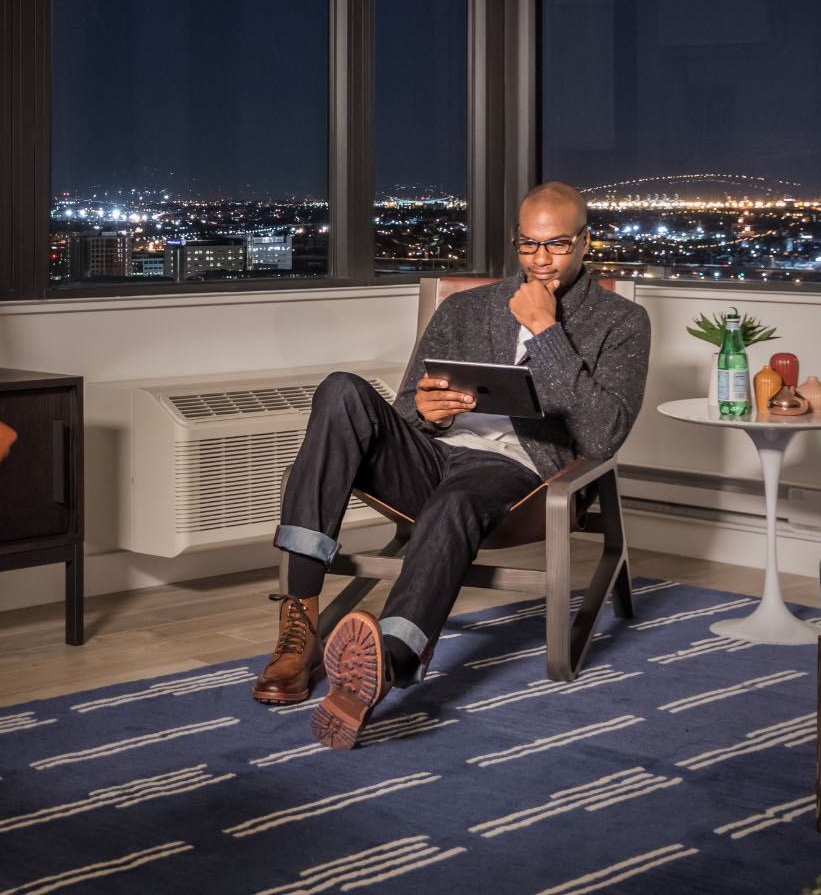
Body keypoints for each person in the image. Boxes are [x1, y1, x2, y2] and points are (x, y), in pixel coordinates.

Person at [251, 181, 651, 750]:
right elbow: (404, 413)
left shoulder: (622, 322)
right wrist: (426, 412)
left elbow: (603, 436)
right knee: (340, 390)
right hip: (434, 456)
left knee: (457, 500)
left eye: (557, 245)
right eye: (528, 245)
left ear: (586, 242)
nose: (541, 260)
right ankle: (298, 626)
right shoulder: (466, 307)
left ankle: (383, 665)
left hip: (518, 478)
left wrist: (546, 332)